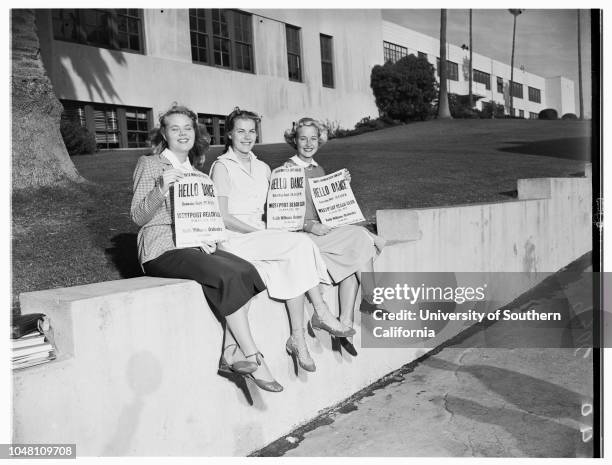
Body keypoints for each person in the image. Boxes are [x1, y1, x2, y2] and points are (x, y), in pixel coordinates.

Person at [130, 104, 282, 392]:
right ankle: (254, 356)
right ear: (164, 133)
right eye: (175, 128)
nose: (182, 133)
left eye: (187, 128)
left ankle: (229, 352)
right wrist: (160, 188)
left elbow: (203, 217)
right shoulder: (149, 164)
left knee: (247, 271)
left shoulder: (197, 173)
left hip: (193, 245)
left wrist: (210, 237)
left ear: (195, 132)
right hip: (161, 248)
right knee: (226, 276)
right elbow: (138, 217)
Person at [210, 108, 355, 373]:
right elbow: (223, 217)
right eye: (240, 131)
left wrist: (337, 185)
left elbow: (280, 207)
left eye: (251, 131)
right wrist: (261, 233)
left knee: (294, 253)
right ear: (229, 134)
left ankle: (298, 338)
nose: (246, 136)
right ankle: (321, 313)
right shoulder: (222, 167)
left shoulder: (263, 167)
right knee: (300, 245)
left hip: (263, 235)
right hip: (236, 238)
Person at [282, 117, 386, 356]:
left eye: (313, 138)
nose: (308, 143)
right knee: (360, 239)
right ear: (294, 140)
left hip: (323, 232)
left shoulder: (319, 169)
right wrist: (310, 226)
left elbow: (327, 209)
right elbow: (283, 216)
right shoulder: (287, 170)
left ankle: (346, 325)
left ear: (320, 140)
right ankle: (371, 299)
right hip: (302, 237)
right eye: (303, 138)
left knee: (354, 255)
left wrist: (342, 187)